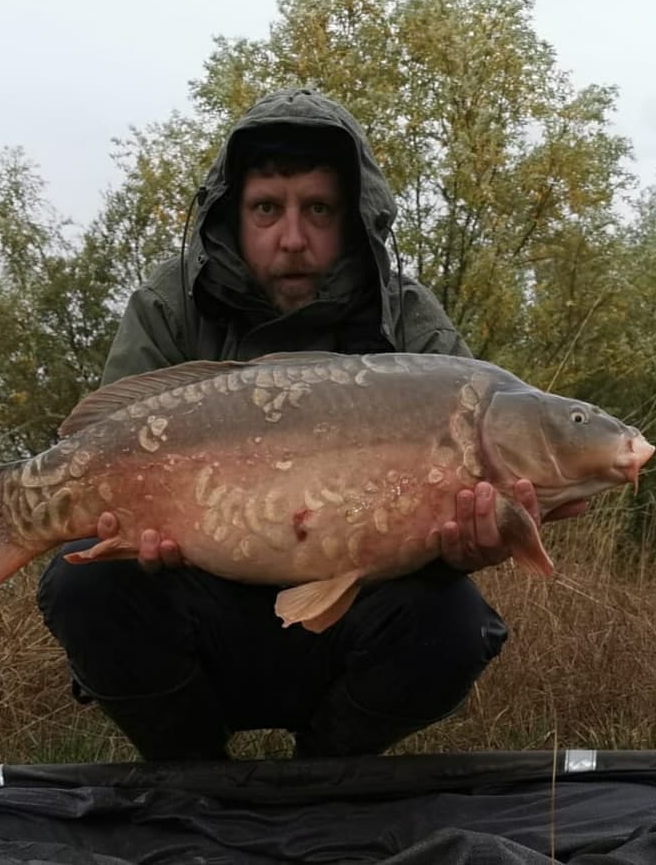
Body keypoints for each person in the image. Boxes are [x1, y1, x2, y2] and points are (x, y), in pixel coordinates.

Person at [37, 88, 584, 761]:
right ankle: (195, 775)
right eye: (267, 209)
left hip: (353, 620)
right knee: (81, 580)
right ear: (232, 216)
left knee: (455, 621)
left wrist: (464, 548)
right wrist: (125, 524)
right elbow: (103, 446)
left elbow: (468, 498)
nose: (292, 238)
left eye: (318, 210)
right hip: (199, 613)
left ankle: (329, 773)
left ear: (352, 219)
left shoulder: (408, 321)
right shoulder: (168, 305)